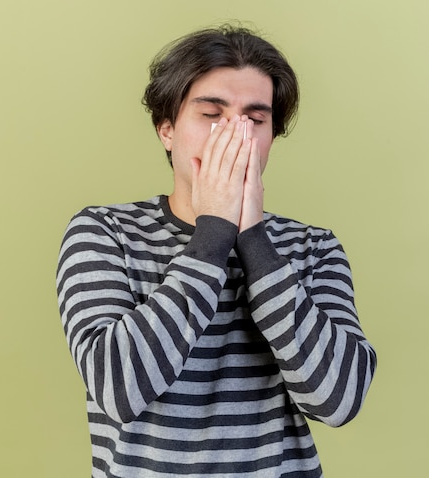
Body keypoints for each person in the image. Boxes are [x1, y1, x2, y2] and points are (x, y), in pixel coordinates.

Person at [56, 24, 376, 478]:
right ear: (167, 130)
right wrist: (213, 232)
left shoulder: (313, 248)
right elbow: (119, 389)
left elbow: (338, 400)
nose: (237, 134)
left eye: (256, 119)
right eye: (212, 114)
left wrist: (253, 239)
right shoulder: (105, 233)